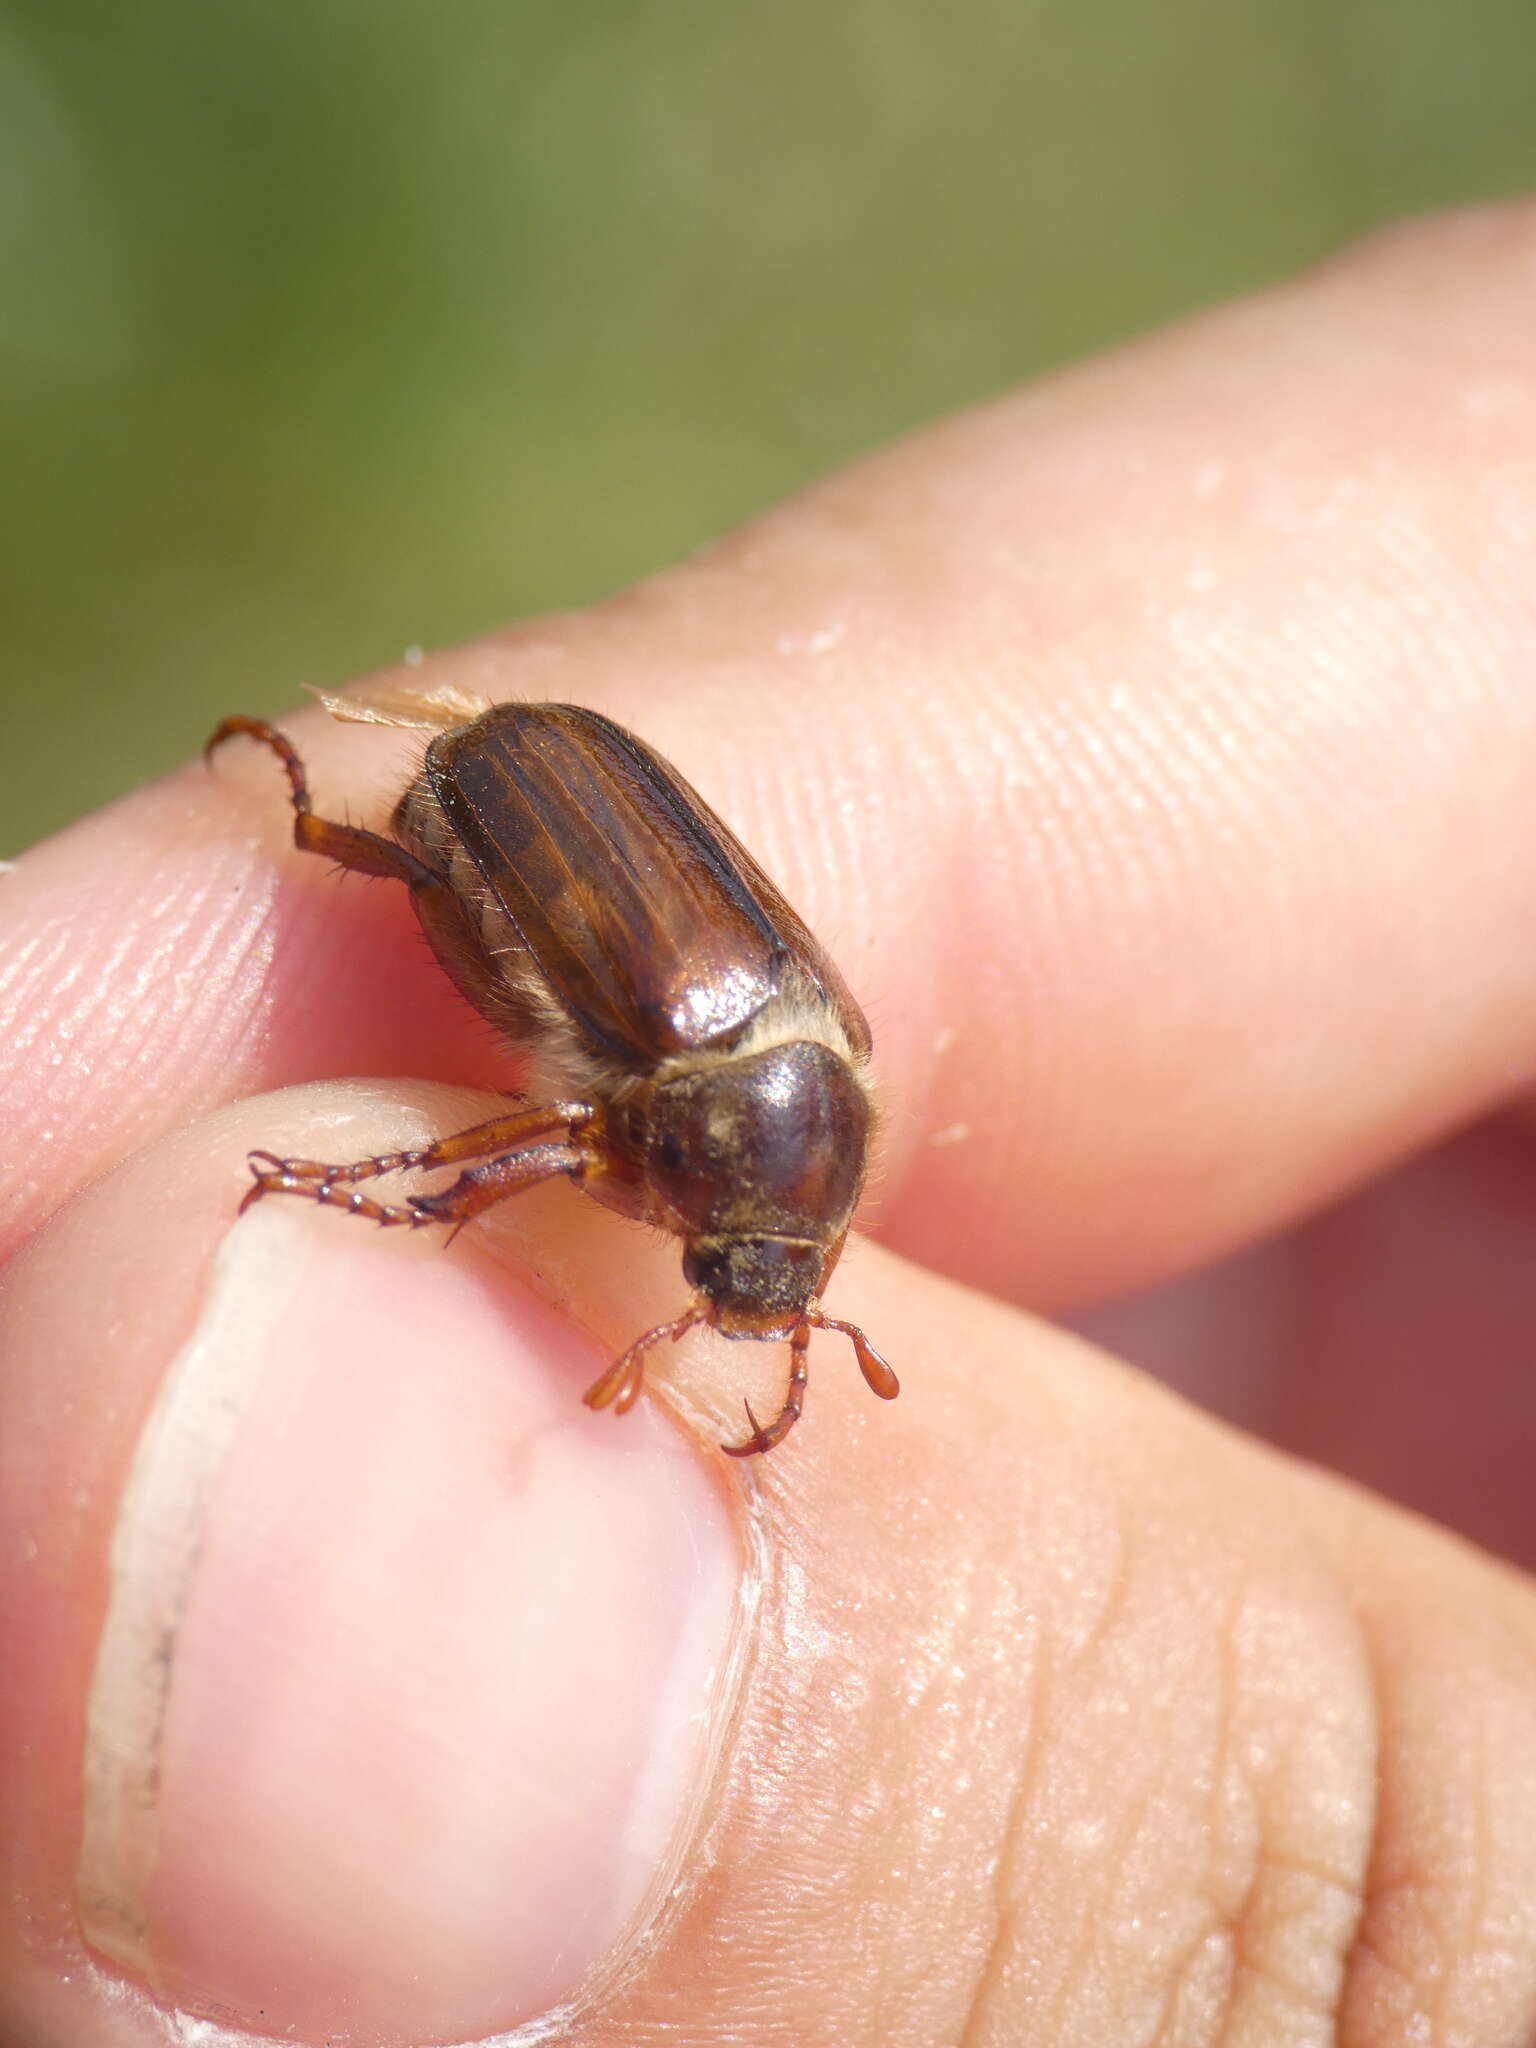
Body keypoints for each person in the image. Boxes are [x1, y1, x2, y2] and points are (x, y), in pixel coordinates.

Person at [6, 200, 1536, 2048]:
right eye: (756, 1263)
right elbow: (563, 1138)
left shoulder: (785, 1096)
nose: (742, 1277)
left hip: (580, 810)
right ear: (753, 1187)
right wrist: (415, 1187)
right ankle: (327, 919)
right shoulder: (658, 1107)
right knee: (423, 900)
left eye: (761, 1269)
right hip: (522, 793)